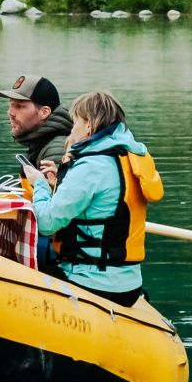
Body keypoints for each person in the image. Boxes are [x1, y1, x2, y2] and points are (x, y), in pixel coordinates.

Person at [29, 90, 163, 308]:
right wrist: (60, 182)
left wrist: (40, 186)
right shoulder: (127, 155)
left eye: (75, 123)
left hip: (94, 282)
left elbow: (46, 223)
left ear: (88, 124)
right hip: (128, 284)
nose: (72, 129)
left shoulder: (91, 166)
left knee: (23, 254)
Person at [0, 74, 72, 171]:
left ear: (44, 112)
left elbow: (53, 186)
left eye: (19, 106)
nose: (10, 113)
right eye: (11, 105)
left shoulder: (57, 149)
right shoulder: (40, 142)